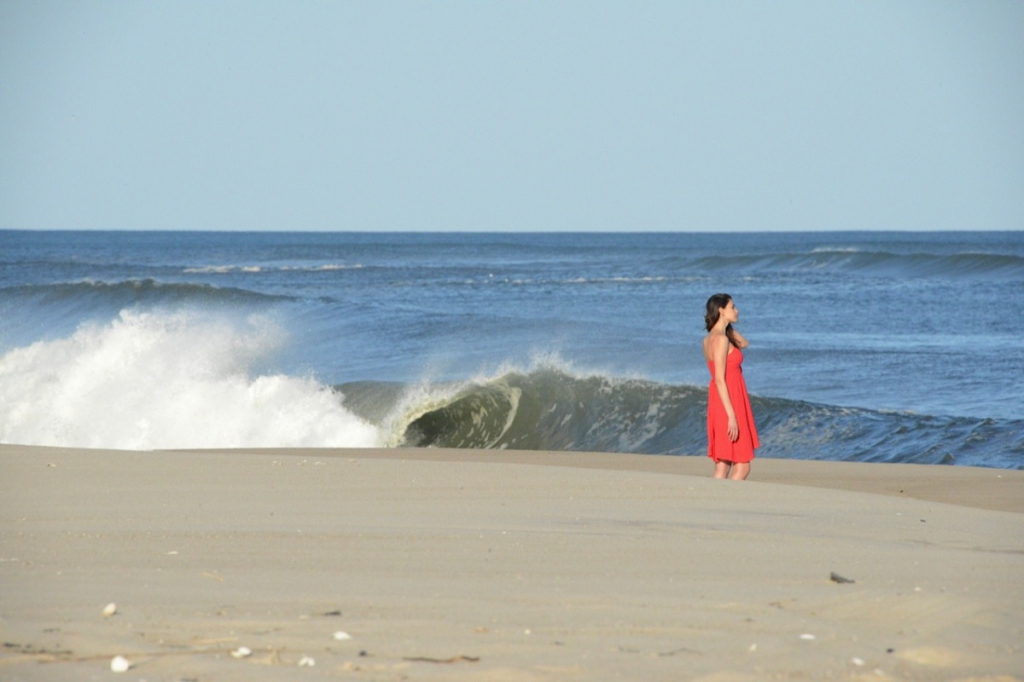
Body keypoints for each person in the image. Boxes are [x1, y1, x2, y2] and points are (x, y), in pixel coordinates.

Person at [702, 293, 759, 479]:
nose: (737, 310)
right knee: (742, 467)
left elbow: (744, 343)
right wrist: (731, 416)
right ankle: (726, 496)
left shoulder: (712, 338)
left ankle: (715, 496)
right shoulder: (721, 339)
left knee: (723, 464)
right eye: (732, 307)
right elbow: (720, 379)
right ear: (721, 310)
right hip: (729, 401)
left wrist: (727, 326)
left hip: (722, 399)